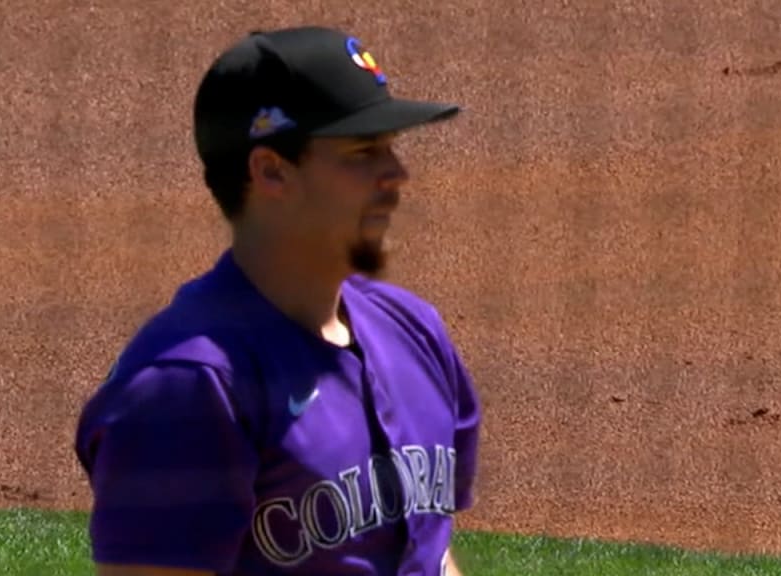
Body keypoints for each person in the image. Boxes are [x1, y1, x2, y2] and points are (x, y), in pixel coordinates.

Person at [74, 25, 482, 576]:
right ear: (270, 171)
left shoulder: (413, 330)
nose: (397, 175)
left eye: (391, 148)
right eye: (363, 152)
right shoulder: (189, 383)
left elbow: (431, 555)